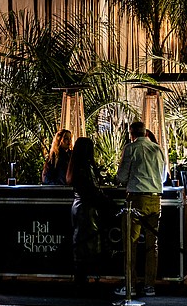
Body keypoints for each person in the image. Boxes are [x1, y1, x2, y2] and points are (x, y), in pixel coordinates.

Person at [115, 121, 166, 297]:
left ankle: (131, 285)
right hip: (155, 199)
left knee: (131, 244)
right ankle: (149, 285)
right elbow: (163, 176)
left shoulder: (130, 149)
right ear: (145, 132)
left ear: (131, 134)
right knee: (153, 245)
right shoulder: (158, 149)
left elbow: (122, 176)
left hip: (136, 199)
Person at [66, 136, 114, 287]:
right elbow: (91, 190)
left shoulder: (75, 166)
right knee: (87, 244)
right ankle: (83, 279)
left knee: (80, 243)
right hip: (87, 209)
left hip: (80, 206)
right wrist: (107, 201)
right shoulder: (85, 167)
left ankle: (81, 278)